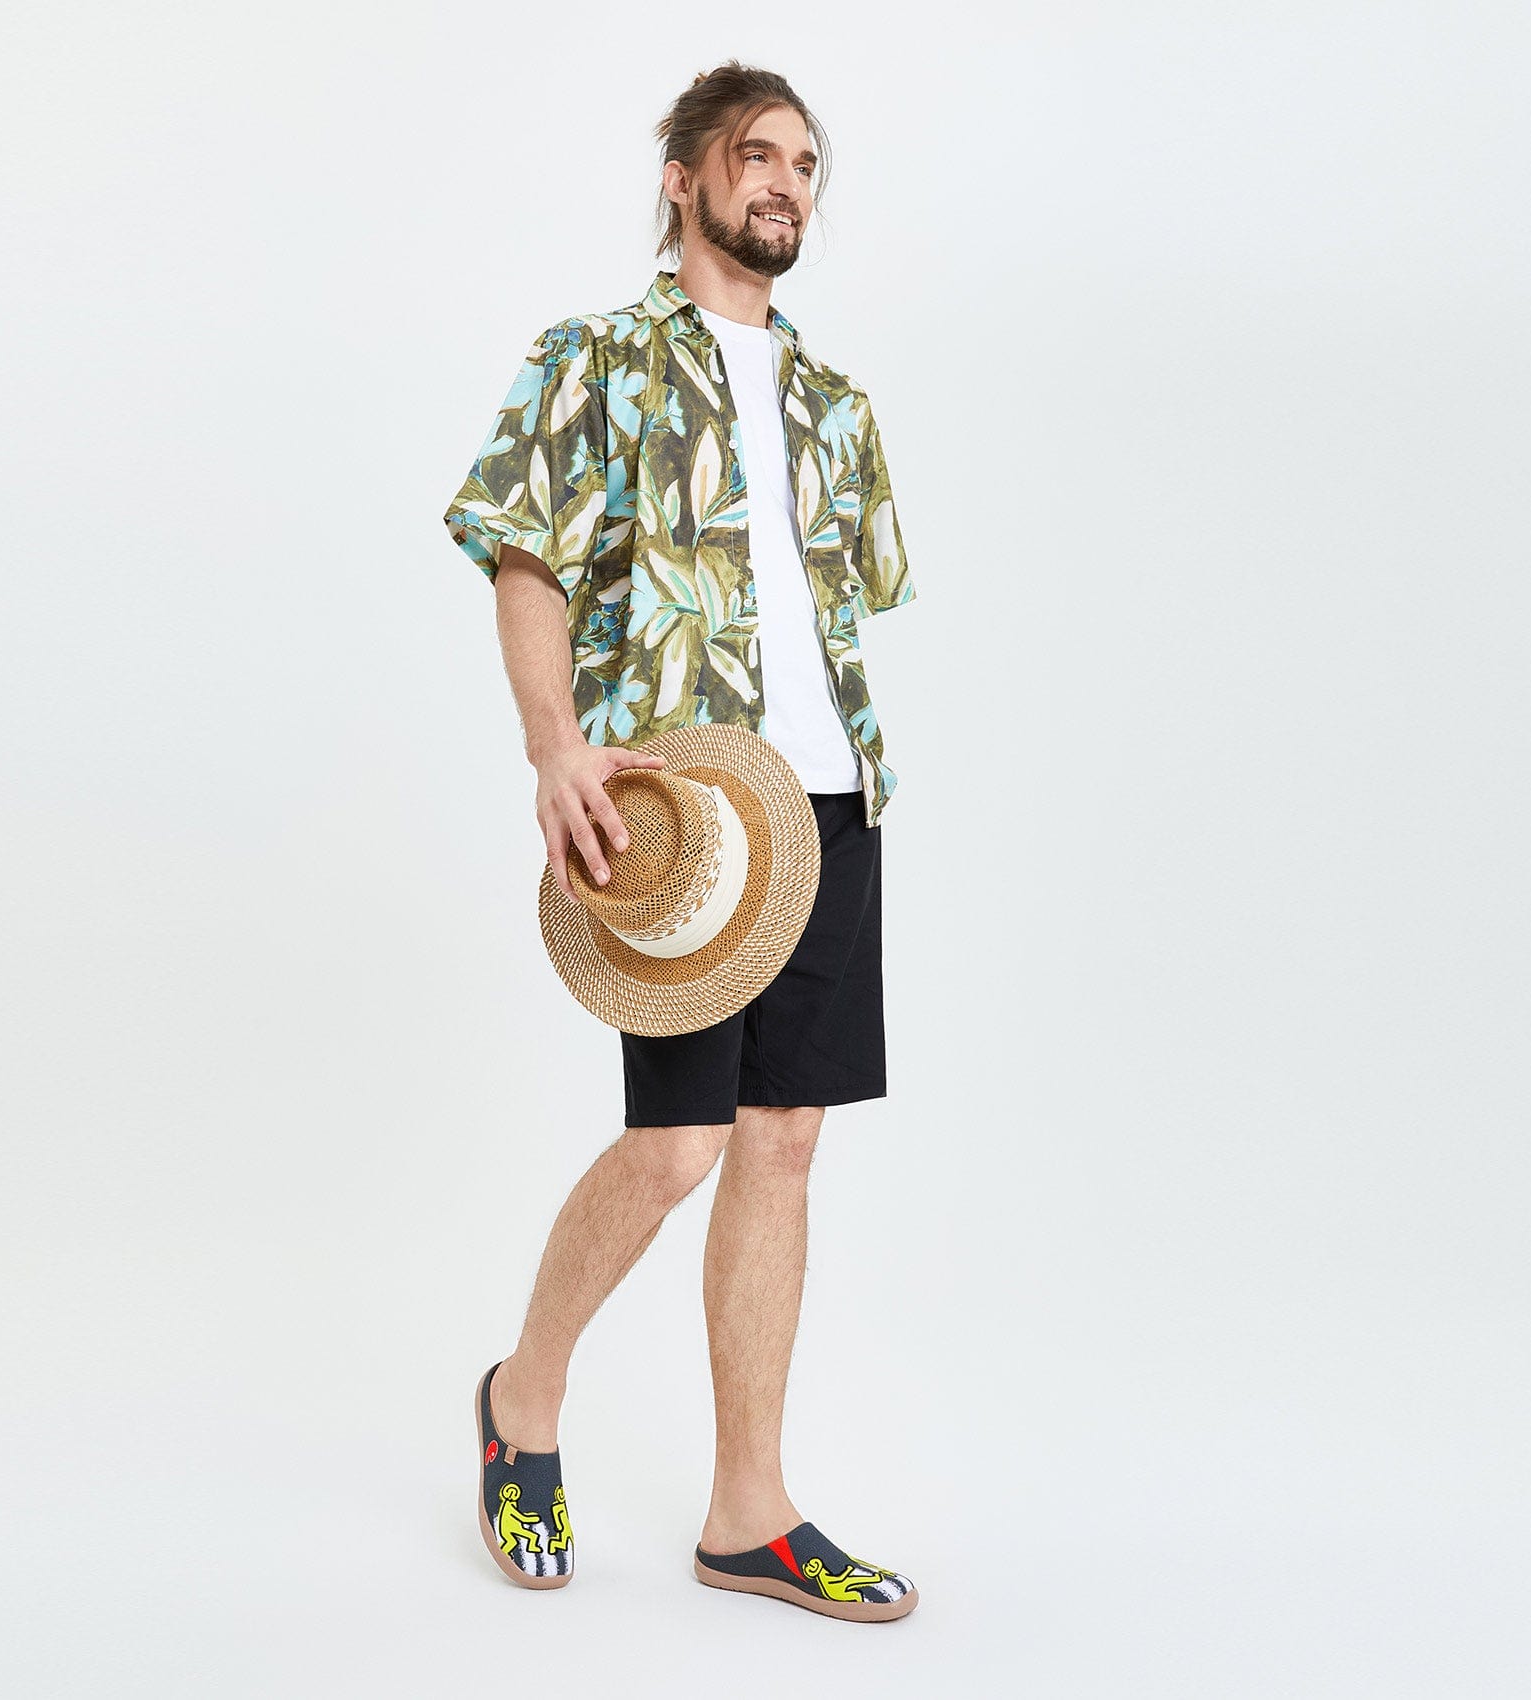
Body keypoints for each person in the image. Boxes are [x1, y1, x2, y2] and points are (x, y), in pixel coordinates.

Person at [442, 60, 920, 1621]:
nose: (785, 182)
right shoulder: (592, 360)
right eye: (754, 154)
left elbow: (850, 603)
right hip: (685, 813)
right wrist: (554, 746)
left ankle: (748, 1513)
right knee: (676, 1145)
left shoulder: (839, 407)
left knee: (783, 1141)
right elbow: (523, 555)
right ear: (684, 176)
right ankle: (523, 1400)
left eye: (804, 162)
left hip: (826, 804)